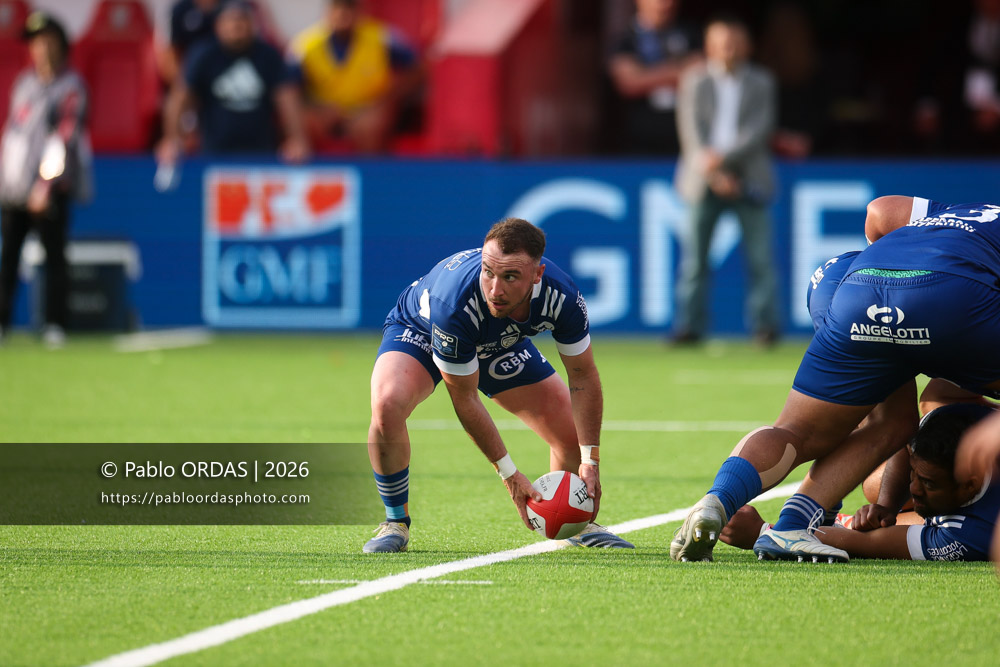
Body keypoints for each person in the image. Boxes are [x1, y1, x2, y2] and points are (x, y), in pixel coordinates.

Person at [670, 195, 1000, 564]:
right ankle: (796, 522)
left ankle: (724, 501)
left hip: (853, 286)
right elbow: (942, 393)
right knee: (884, 455)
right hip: (953, 301)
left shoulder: (966, 210)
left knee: (808, 430)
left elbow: (879, 211)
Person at [364, 218, 633, 552]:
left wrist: (590, 462)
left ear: (537, 276)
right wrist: (509, 474)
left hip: (500, 341)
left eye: (510, 277)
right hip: (420, 332)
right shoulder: (455, 303)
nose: (495, 288)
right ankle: (395, 522)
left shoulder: (562, 297)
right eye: (488, 271)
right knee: (388, 405)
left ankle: (576, 523)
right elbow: (464, 398)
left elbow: (583, 375)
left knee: (570, 436)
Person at [721, 404, 999, 562]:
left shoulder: (974, 535)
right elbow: (907, 442)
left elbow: (868, 544)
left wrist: (762, 531)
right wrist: (887, 505)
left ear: (970, 486)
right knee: (875, 487)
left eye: (929, 483)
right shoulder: (953, 419)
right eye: (915, 475)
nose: (914, 488)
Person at [672, 15, 779, 346]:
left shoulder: (762, 81)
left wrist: (724, 161)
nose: (727, 50)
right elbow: (691, 133)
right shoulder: (694, 80)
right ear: (709, 46)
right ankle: (690, 326)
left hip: (750, 179)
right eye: (720, 43)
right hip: (704, 179)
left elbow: (760, 129)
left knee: (761, 258)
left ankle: (765, 327)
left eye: (733, 42)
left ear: (747, 46)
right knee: (695, 259)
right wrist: (715, 171)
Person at [0, 12, 91, 348]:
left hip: (48, 190)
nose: (40, 49)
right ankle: (2, 323)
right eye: (35, 43)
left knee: (54, 256)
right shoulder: (23, 84)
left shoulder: (71, 88)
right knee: (8, 255)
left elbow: (63, 139)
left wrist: (44, 186)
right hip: (15, 188)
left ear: (61, 45)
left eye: (47, 42)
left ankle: (55, 324)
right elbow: (13, 135)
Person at [155, 0, 309, 164]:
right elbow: (180, 97)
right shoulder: (203, 55)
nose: (236, 26)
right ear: (218, 25)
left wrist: (297, 139)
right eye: (230, 20)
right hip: (214, 153)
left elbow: (287, 99)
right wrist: (171, 139)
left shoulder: (268, 56)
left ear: (253, 24)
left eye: (242, 19)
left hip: (261, 153)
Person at [287, 0, 423, 153]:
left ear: (360, 11)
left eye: (349, 7)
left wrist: (384, 101)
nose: (343, 14)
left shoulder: (381, 36)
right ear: (327, 11)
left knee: (370, 126)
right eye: (338, 8)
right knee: (306, 123)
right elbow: (288, 87)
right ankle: (317, 173)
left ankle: (370, 174)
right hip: (325, 109)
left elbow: (418, 69)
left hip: (369, 106)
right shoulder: (305, 44)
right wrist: (311, 112)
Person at [607, 0, 701, 155]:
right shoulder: (625, 38)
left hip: (685, 134)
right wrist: (677, 72)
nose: (664, 4)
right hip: (640, 138)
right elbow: (629, 83)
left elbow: (702, 73)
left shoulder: (691, 33)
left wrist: (647, 74)